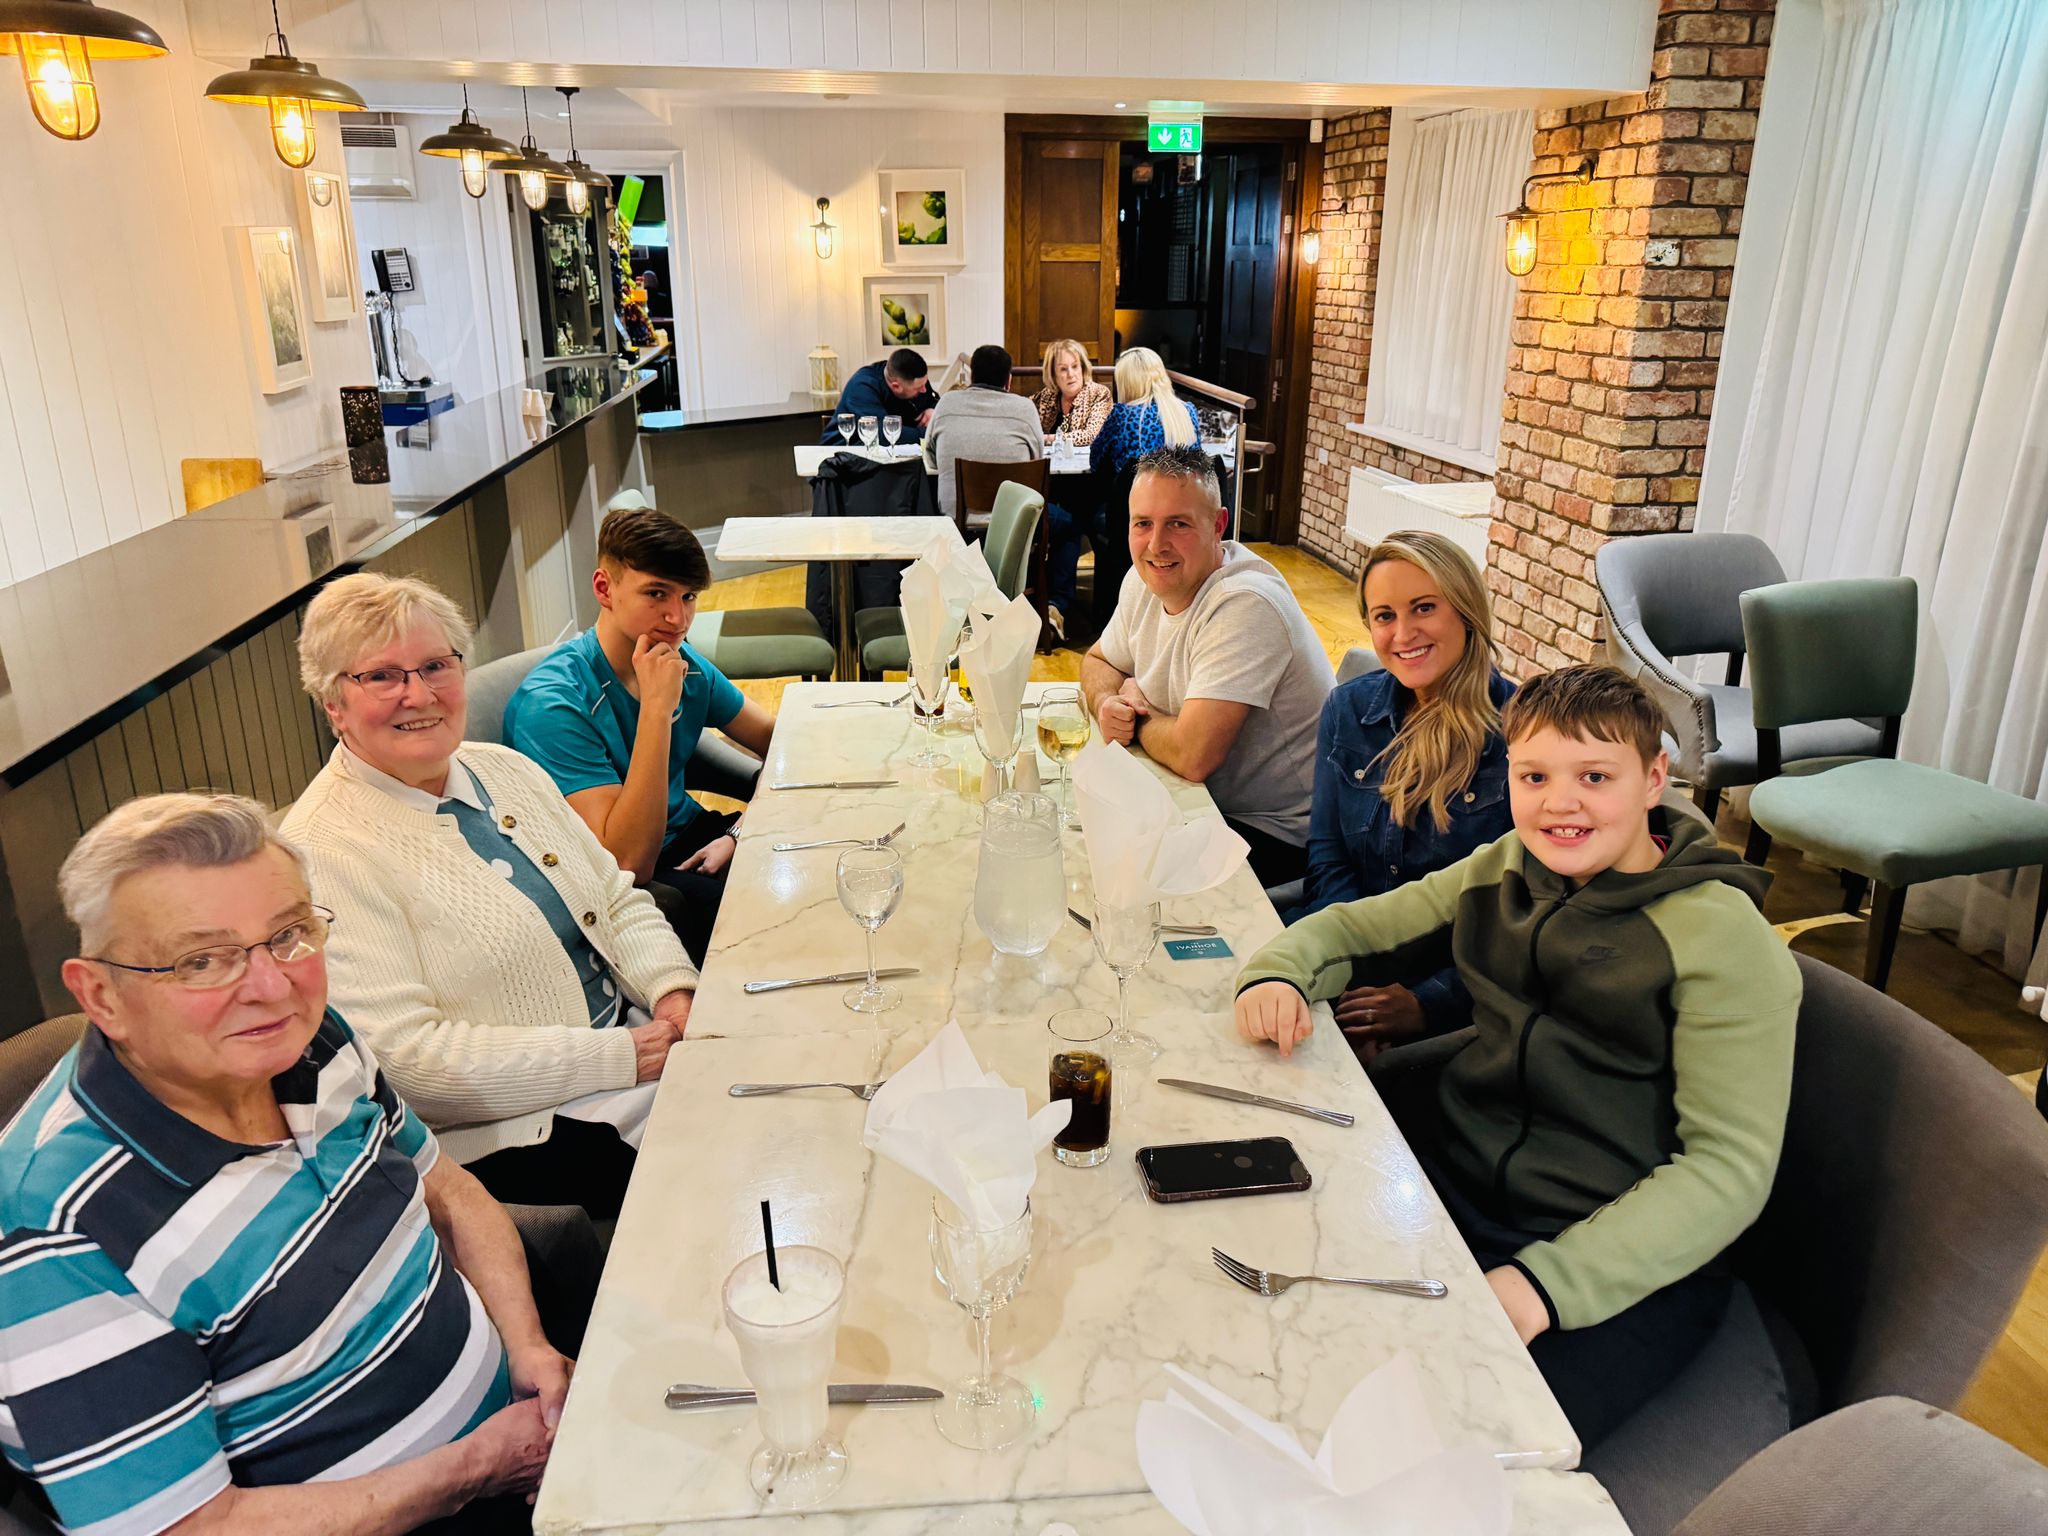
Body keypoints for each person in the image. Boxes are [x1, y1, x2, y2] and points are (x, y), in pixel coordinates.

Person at [1234, 665, 1802, 1451]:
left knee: (1465, 1452)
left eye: (1595, 776)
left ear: (1654, 780)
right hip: (1456, 1185)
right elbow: (1358, 930)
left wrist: (1546, 1285)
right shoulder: (1506, 866)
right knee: (1281, 1345)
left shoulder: (1725, 943)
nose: (1559, 803)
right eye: (1534, 775)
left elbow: (1729, 1167)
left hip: (1612, 1248)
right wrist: (1277, 973)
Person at [0, 793, 568, 1535]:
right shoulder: (59, 1227)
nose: (272, 986)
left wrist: (527, 1349)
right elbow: (184, 1527)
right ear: (101, 994)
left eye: (289, 934)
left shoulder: (310, 1040)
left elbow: (450, 1191)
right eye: (202, 960)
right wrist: (475, 1468)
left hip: (524, 1432)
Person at [283, 572, 699, 1220]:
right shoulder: (322, 851)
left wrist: (675, 991)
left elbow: (614, 900)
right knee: (735, 1159)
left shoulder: (504, 770)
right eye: (382, 677)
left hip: (638, 1049)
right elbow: (408, 1061)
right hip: (523, 1123)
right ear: (332, 703)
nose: (417, 694)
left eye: (434, 666)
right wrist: (620, 1056)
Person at [506, 506, 775, 965]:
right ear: (604, 589)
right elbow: (626, 861)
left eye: (688, 596)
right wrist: (656, 708)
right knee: (779, 925)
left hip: (696, 838)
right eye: (657, 593)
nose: (677, 618)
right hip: (622, 882)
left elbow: (782, 742)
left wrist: (739, 830)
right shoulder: (553, 703)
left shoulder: (678, 660)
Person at [1300, 531, 1517, 1052]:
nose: (1403, 633)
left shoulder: (1524, 735)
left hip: (1458, 1006)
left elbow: (1524, 922)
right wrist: (1348, 964)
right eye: (1383, 616)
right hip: (1345, 960)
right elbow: (1327, 857)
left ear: (1465, 610)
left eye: (1424, 608)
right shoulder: (1347, 710)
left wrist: (1428, 1003)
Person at [1080, 445, 1334, 886]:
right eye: (1143, 524)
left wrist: (1137, 719)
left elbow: (1193, 755)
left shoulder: (1246, 604)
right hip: (1199, 804)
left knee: (1113, 882)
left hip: (1280, 837)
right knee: (1073, 841)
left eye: (1178, 524)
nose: (1156, 545)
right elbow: (1099, 659)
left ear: (1218, 525)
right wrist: (1107, 701)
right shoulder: (1146, 580)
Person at [1032, 338, 1115, 638]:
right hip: (1054, 488)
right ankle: (1054, 607)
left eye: (1075, 367)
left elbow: (1091, 435)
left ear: (1084, 367)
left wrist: (1050, 439)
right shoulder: (1044, 399)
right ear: (1052, 374)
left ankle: (1056, 607)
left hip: (1090, 489)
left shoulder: (1098, 395)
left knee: (1071, 523)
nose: (1070, 375)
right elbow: (1028, 433)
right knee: (1066, 523)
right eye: (1062, 369)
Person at [925, 342, 1044, 526]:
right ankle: (1030, 555)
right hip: (1014, 521)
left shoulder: (946, 403)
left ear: (972, 376)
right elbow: (1036, 458)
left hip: (956, 519)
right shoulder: (1025, 409)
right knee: (1070, 527)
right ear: (1009, 380)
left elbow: (931, 459)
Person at [1089, 346, 1202, 478]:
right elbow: (1198, 461)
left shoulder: (1121, 415)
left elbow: (1095, 462)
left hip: (1136, 496)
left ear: (1126, 383)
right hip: (1182, 496)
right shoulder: (1188, 411)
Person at [822, 347, 938, 445]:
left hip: (895, 458)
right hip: (843, 457)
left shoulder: (914, 380)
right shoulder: (863, 387)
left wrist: (934, 410)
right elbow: (884, 435)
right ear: (896, 386)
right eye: (918, 388)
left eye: (925, 384)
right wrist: (930, 434)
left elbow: (934, 401)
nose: (924, 390)